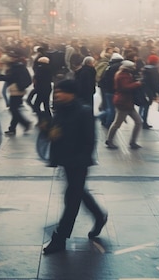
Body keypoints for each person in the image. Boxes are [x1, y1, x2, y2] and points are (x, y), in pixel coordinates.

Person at [42, 79, 107, 254]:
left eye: (61, 91)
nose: (57, 94)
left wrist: (80, 160)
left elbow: (89, 141)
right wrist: (48, 130)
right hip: (66, 160)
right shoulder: (61, 109)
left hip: (78, 163)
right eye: (57, 91)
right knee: (78, 193)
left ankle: (59, 238)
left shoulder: (83, 111)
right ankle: (99, 216)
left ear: (72, 93)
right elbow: (57, 134)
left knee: (72, 200)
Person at [105, 60, 143, 149]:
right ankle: (109, 140)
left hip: (126, 101)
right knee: (117, 123)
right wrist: (137, 84)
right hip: (123, 102)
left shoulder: (123, 74)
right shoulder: (123, 75)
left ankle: (133, 142)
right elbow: (125, 87)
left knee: (138, 122)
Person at [0, 50, 32, 136]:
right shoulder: (19, 65)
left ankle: (25, 123)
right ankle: (12, 129)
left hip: (16, 91)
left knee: (13, 109)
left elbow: (10, 78)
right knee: (14, 109)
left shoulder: (15, 67)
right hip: (18, 90)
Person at [140, 54, 159, 129]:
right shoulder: (154, 70)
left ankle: (140, 120)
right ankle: (144, 122)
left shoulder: (144, 68)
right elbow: (157, 83)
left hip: (142, 90)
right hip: (149, 92)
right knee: (146, 107)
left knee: (143, 106)